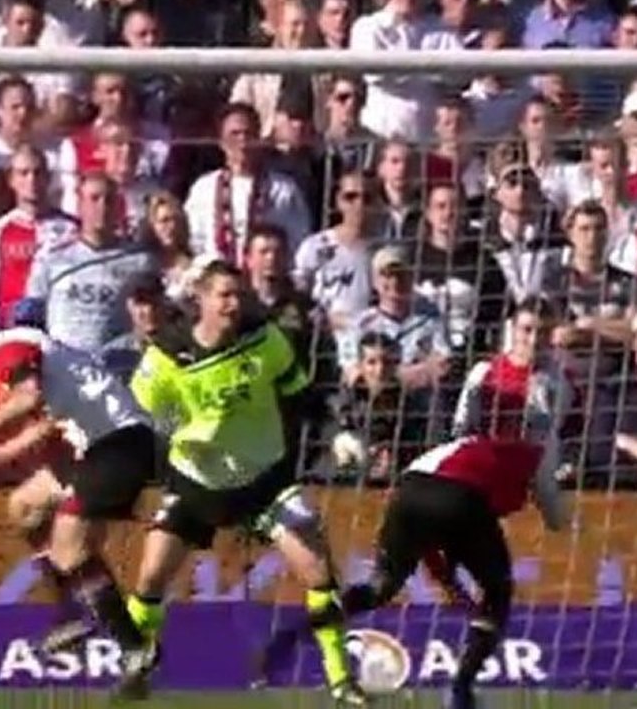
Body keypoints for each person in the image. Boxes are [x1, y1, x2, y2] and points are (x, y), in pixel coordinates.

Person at [127, 260, 364, 706]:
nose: (234, 304)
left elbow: (301, 394)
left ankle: (341, 681)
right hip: (197, 483)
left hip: (264, 480)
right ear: (199, 298)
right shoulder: (166, 356)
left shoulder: (265, 338)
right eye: (224, 295)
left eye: (239, 294)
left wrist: (339, 434)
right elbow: (133, 417)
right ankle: (135, 669)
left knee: (317, 569)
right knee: (151, 575)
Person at [0, 318, 160, 691]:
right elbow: (46, 424)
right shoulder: (26, 355)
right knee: (25, 507)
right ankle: (73, 613)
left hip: (120, 444)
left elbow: (29, 399)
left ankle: (134, 647)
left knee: (70, 547)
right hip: (98, 447)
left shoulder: (5, 348)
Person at [263, 433, 570, 709]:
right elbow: (556, 520)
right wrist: (555, 490)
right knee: (497, 592)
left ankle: (293, 632)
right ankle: (461, 688)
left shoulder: (468, 447)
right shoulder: (537, 455)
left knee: (379, 587)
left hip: (408, 494)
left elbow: (433, 535)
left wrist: (450, 584)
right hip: (461, 497)